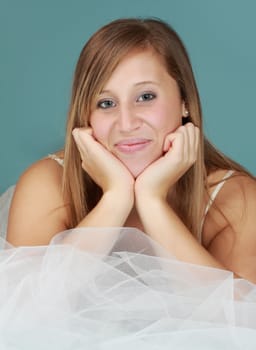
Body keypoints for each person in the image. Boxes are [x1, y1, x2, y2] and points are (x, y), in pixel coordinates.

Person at [3, 17, 256, 283]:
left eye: (146, 97)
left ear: (185, 102)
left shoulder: (237, 201)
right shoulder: (46, 184)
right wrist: (116, 197)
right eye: (106, 103)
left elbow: (238, 317)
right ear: (85, 116)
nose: (126, 123)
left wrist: (152, 201)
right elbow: (28, 311)